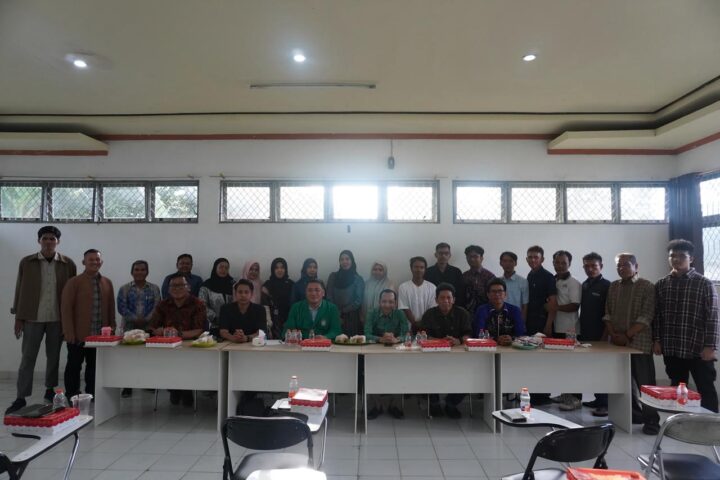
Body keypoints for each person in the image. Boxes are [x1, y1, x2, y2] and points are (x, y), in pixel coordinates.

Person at [6, 226, 77, 414]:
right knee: (28, 358)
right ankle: (21, 397)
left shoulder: (68, 264)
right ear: (39, 241)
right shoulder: (27, 262)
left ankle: (49, 389)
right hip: (32, 317)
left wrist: (70, 321)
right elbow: (20, 289)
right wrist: (18, 317)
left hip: (57, 318)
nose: (48, 242)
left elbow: (72, 294)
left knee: (53, 357)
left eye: (52, 239)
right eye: (45, 238)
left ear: (58, 242)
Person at [654, 239, 719, 413]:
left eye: (682, 256)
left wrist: (710, 346)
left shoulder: (704, 283)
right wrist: (657, 340)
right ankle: (680, 421)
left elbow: (713, 317)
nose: (676, 259)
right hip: (672, 347)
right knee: (677, 387)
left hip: (698, 348)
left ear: (691, 259)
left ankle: (710, 424)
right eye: (672, 256)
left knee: (705, 388)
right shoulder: (661, 284)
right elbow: (657, 316)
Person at [604, 253, 661, 434]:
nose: (621, 268)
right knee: (622, 383)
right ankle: (634, 415)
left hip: (639, 343)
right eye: (618, 265)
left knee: (645, 384)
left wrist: (627, 335)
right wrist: (613, 334)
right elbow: (608, 313)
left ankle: (652, 421)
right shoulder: (614, 286)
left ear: (636, 266)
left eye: (626, 265)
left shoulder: (647, 286)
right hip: (617, 344)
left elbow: (647, 316)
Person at [61, 249, 115, 399]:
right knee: (74, 366)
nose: (94, 262)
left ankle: (92, 393)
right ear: (83, 262)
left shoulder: (107, 282)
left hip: (99, 336)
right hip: (78, 335)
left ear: (101, 262)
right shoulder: (74, 282)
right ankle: (72, 395)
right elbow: (66, 309)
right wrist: (68, 332)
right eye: (91, 259)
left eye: (97, 259)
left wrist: (112, 327)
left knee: (94, 366)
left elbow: (111, 307)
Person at [150, 274, 207, 407]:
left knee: (185, 362)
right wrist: (160, 331)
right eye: (173, 286)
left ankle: (186, 389)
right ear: (168, 289)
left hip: (191, 346)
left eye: (181, 285)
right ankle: (174, 388)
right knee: (168, 362)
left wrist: (178, 334)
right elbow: (152, 327)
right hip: (167, 348)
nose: (177, 288)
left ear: (188, 287)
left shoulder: (198, 304)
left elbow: (199, 330)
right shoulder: (163, 304)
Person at [418, 283, 472, 418]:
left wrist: (459, 341)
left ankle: (451, 403)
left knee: (471, 374)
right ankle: (434, 403)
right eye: (442, 298)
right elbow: (423, 335)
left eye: (449, 298)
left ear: (454, 299)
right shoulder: (429, 314)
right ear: (436, 300)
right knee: (425, 372)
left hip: (459, 358)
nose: (445, 301)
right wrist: (440, 341)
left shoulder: (462, 313)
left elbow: (468, 334)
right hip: (433, 357)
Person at [116, 259, 161, 397]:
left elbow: (157, 306)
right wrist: (136, 319)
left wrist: (146, 320)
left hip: (149, 327)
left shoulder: (154, 288)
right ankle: (127, 386)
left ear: (147, 272)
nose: (139, 272)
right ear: (132, 272)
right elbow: (122, 307)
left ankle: (147, 383)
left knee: (147, 357)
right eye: (136, 269)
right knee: (128, 358)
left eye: (143, 269)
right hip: (129, 327)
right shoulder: (124, 288)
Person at [364, 289, 408, 419]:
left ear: (395, 303)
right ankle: (377, 406)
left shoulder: (400, 314)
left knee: (399, 374)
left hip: (396, 351)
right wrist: (380, 339)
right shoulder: (372, 313)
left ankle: (393, 405)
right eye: (384, 301)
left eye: (390, 302)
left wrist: (397, 339)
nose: (387, 305)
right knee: (371, 374)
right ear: (379, 302)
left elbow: (407, 334)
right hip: (374, 351)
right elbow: (366, 334)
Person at [578, 252, 611, 416]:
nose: (590, 269)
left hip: (601, 335)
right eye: (587, 266)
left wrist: (605, 336)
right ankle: (598, 399)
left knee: (602, 369)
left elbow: (609, 313)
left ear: (601, 266)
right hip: (585, 333)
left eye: (594, 266)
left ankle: (605, 404)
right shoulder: (585, 284)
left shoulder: (607, 286)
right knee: (592, 368)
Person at [550, 250, 583, 411]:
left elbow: (575, 305)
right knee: (561, 365)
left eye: (564, 263)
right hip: (556, 327)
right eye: (557, 262)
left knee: (572, 365)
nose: (560, 265)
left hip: (570, 329)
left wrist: (555, 308)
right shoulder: (553, 280)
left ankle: (576, 398)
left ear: (569, 264)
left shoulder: (574, 283)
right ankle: (565, 394)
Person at [525, 245, 557, 405]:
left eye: (536, 257)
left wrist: (548, 325)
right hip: (531, 322)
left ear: (542, 259)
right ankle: (534, 394)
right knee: (531, 360)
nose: (533, 260)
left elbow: (553, 303)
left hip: (543, 323)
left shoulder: (548, 277)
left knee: (542, 361)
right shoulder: (530, 275)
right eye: (530, 257)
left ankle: (542, 396)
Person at [473, 278, 525, 345]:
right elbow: (477, 334)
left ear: (505, 294)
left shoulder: (515, 310)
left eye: (500, 291)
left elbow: (521, 334)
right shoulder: (481, 310)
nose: (497, 294)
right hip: (488, 347)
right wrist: (496, 339)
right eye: (493, 291)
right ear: (488, 295)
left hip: (510, 347)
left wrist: (512, 338)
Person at [326, 250, 365, 336]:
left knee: (350, 341)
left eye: (347, 259)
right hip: (334, 314)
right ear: (339, 262)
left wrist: (343, 311)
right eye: (342, 259)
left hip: (352, 316)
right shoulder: (333, 276)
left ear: (352, 261)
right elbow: (329, 296)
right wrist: (336, 312)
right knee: (334, 339)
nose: (344, 262)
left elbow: (358, 301)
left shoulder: (358, 279)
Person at [397, 256, 437, 332]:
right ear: (411, 268)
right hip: (408, 327)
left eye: (422, 267)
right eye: (416, 267)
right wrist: (414, 324)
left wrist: (422, 323)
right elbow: (404, 308)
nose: (419, 270)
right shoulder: (403, 287)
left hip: (427, 326)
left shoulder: (432, 287)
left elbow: (432, 309)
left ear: (425, 269)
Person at [198, 258, 234, 337]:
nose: (223, 270)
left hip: (231, 325)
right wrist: (215, 317)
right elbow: (201, 305)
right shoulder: (206, 285)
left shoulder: (233, 284)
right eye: (221, 267)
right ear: (215, 268)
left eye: (226, 268)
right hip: (213, 325)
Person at [262, 257, 295, 338]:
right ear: (273, 270)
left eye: (282, 267)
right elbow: (265, 304)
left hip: (289, 320)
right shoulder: (267, 285)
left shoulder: (291, 284)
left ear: (285, 269)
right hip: (272, 321)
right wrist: (269, 322)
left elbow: (294, 304)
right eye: (276, 268)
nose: (279, 270)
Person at [461, 245, 496, 315]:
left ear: (481, 258)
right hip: (467, 314)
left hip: (486, 313)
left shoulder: (490, 276)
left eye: (475, 256)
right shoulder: (464, 276)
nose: (472, 259)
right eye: (469, 257)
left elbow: (495, 296)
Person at [499, 251, 529, 320]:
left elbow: (525, 305)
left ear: (515, 263)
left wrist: (522, 322)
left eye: (511, 261)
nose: (508, 264)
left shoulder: (523, 281)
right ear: (500, 263)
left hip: (516, 318)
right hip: (500, 318)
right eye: (505, 261)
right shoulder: (498, 281)